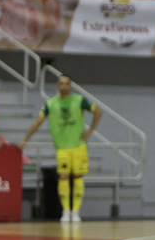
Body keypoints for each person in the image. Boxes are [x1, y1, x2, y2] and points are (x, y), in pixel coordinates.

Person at [17, 75, 102, 223]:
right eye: (61, 83)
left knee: (78, 177)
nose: (64, 86)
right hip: (62, 147)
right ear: (57, 85)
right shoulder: (51, 103)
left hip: (79, 146)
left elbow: (97, 111)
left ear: (70, 85)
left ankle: (76, 211)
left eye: (67, 83)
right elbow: (38, 121)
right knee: (63, 177)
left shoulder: (79, 100)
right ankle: (66, 211)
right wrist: (25, 138)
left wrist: (91, 131)